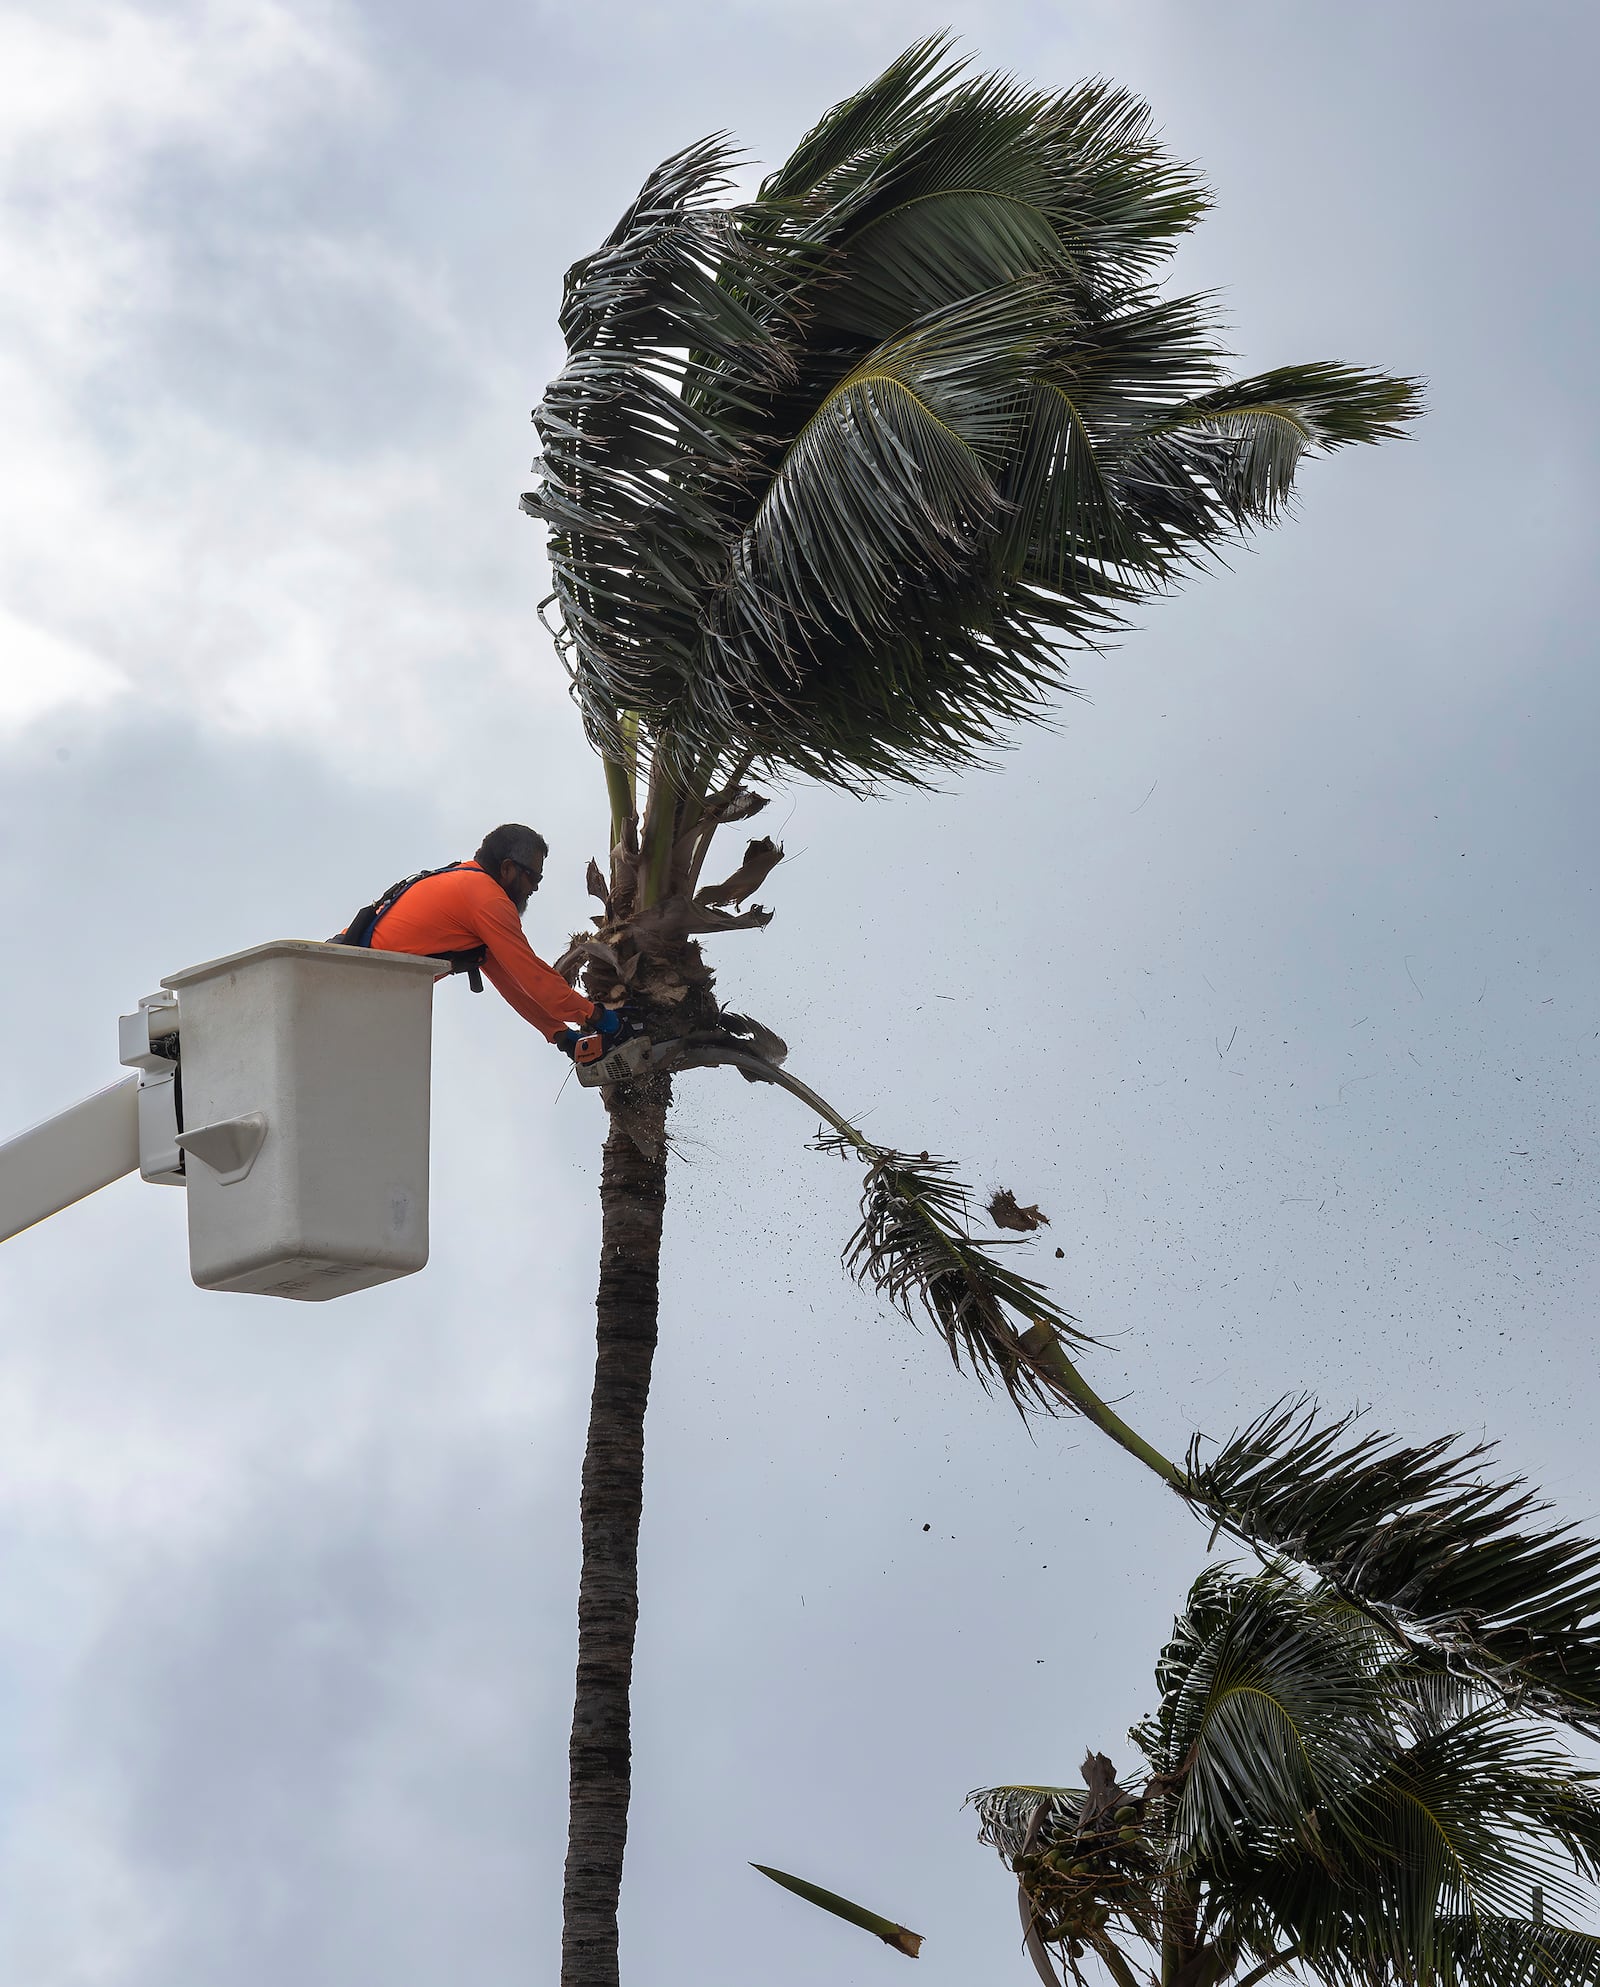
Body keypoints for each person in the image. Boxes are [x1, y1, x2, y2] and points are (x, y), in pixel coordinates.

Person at [344, 824, 626, 1057]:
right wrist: (598, 1017)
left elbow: (512, 981)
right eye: (533, 877)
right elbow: (534, 977)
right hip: (349, 985)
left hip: (352, 981)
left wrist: (560, 1034)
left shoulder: (464, 880)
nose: (536, 887)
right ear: (507, 869)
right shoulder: (487, 899)